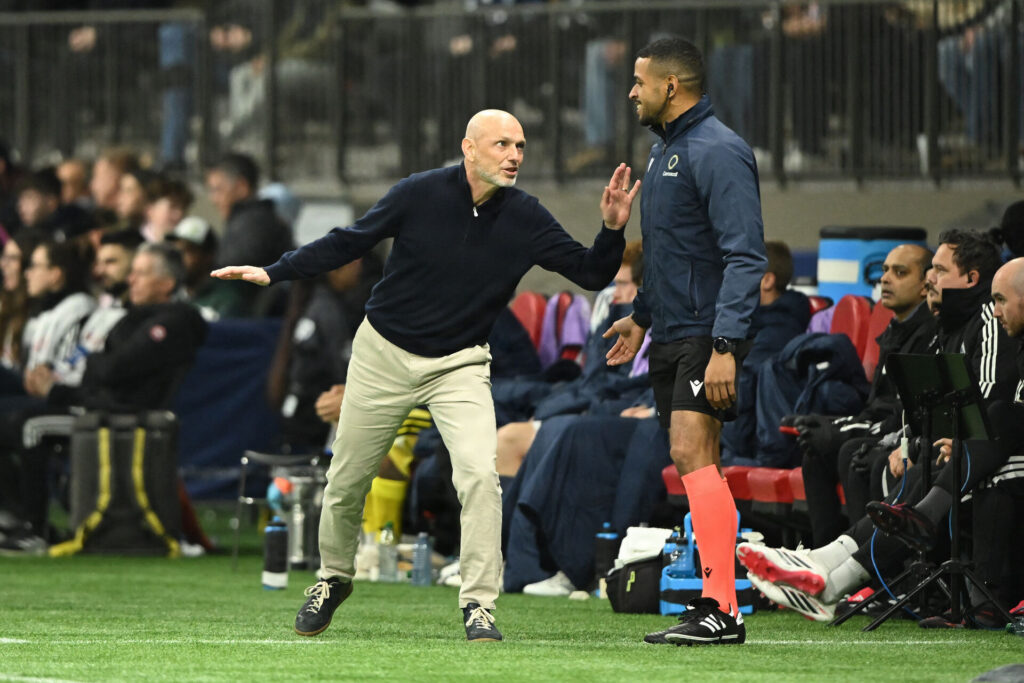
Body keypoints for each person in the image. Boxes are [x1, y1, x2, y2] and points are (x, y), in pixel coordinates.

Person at [212, 109, 639, 642]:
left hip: (459, 363)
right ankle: (332, 579)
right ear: (469, 148)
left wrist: (612, 228)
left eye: (521, 146)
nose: (513, 156)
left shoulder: (526, 217)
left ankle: (480, 604)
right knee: (345, 482)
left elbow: (593, 272)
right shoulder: (419, 192)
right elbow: (350, 240)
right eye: (502, 144)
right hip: (382, 354)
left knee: (480, 477)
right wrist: (275, 270)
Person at [603, 36, 767, 646]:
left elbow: (744, 255)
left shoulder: (719, 151)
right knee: (691, 459)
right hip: (672, 329)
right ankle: (718, 604)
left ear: (671, 87)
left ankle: (721, 608)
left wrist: (726, 344)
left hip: (706, 333)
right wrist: (642, 315)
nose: (632, 91)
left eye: (640, 81)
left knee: (691, 450)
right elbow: (673, 255)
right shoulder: (663, 152)